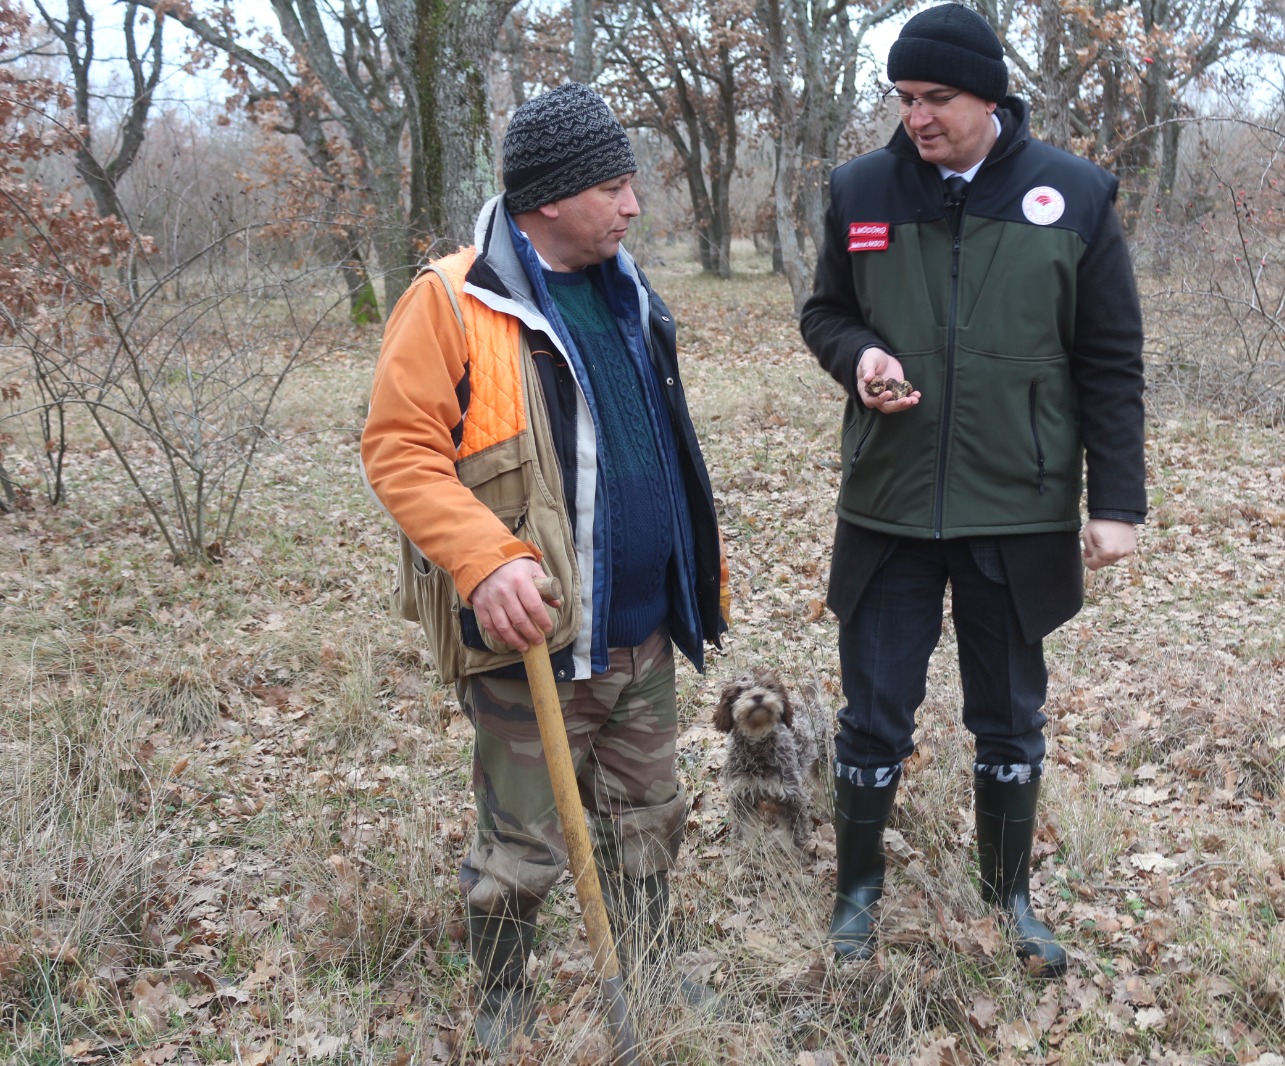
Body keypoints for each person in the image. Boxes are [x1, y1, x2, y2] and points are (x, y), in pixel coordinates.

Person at [361, 83, 725, 1047]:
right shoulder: (451, 299)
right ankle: (503, 1000)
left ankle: (650, 974)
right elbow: (399, 450)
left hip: (643, 629)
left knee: (648, 819)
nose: (633, 205)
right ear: (550, 198)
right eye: (613, 187)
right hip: (534, 636)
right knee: (520, 848)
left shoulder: (628, 291)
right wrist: (484, 563)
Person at [800, 3, 1145, 977]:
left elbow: (1110, 359)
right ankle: (856, 898)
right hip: (890, 501)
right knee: (873, 710)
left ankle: (1008, 897)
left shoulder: (1073, 196)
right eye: (903, 98)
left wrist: (1116, 503)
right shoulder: (861, 189)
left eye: (937, 98)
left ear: (989, 96)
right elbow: (825, 312)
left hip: (1018, 504)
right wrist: (861, 356)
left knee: (1009, 713)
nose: (916, 116)